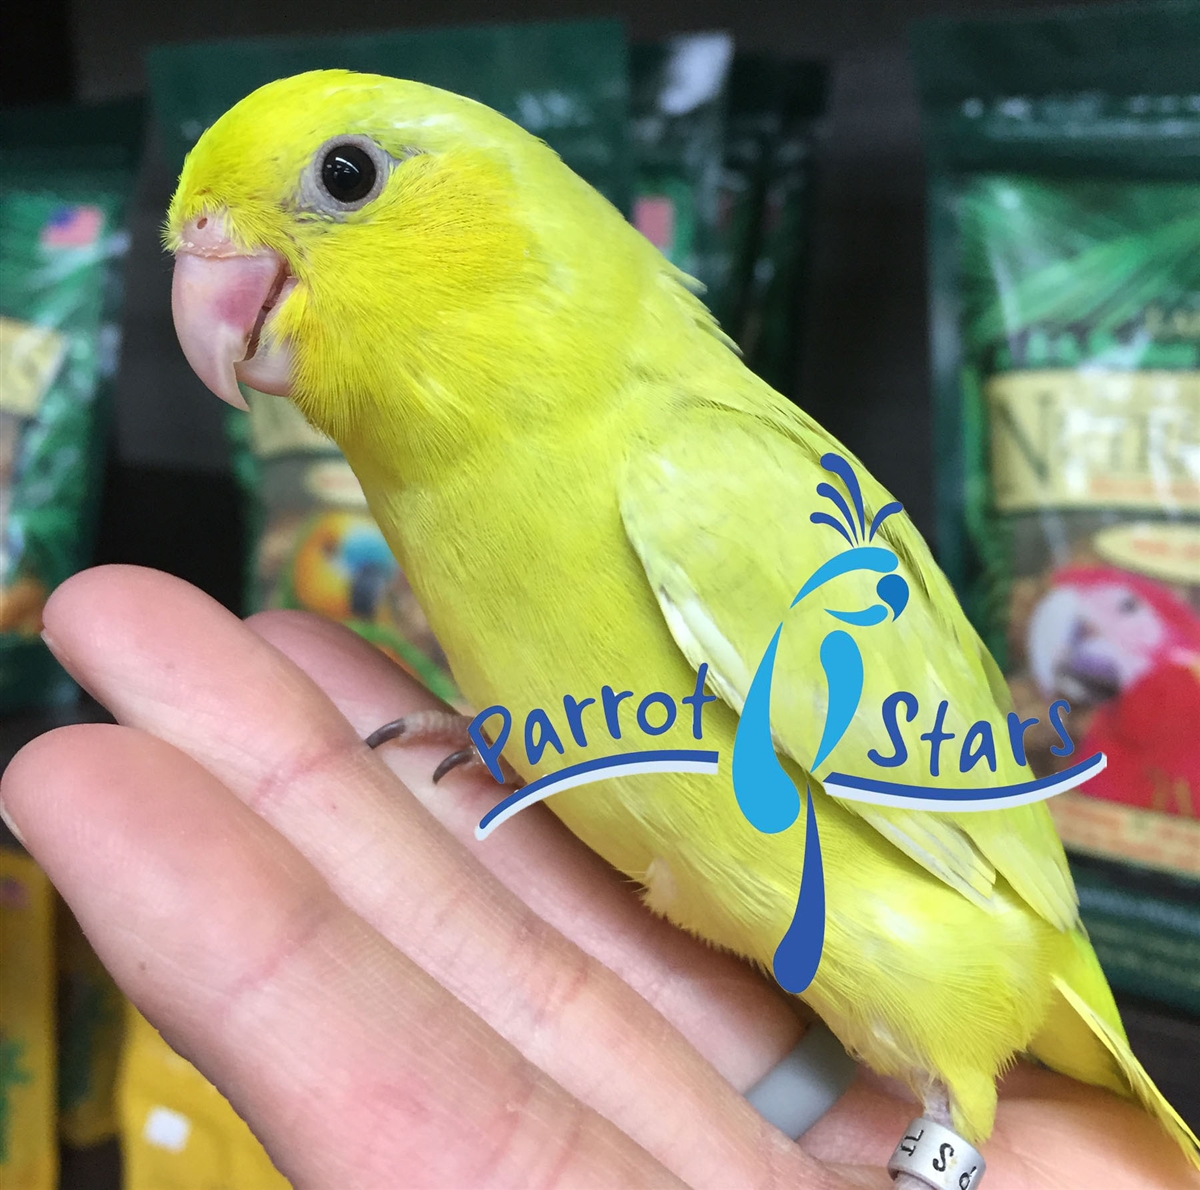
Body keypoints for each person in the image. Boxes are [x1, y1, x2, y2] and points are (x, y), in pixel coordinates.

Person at [2, 564, 1193, 1189]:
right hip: (752, 957)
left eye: (345, 185)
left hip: (970, 964)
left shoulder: (696, 472)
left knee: (950, 1083)